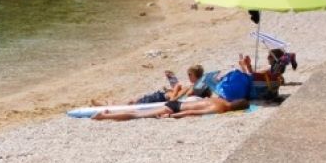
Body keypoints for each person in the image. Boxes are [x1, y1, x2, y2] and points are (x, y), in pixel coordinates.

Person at [93, 61, 250, 121]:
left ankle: (107, 111)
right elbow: (193, 113)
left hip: (178, 102)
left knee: (137, 111)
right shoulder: (220, 108)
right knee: (137, 115)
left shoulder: (219, 99)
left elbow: (196, 103)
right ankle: (105, 116)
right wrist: (172, 115)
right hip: (176, 107)